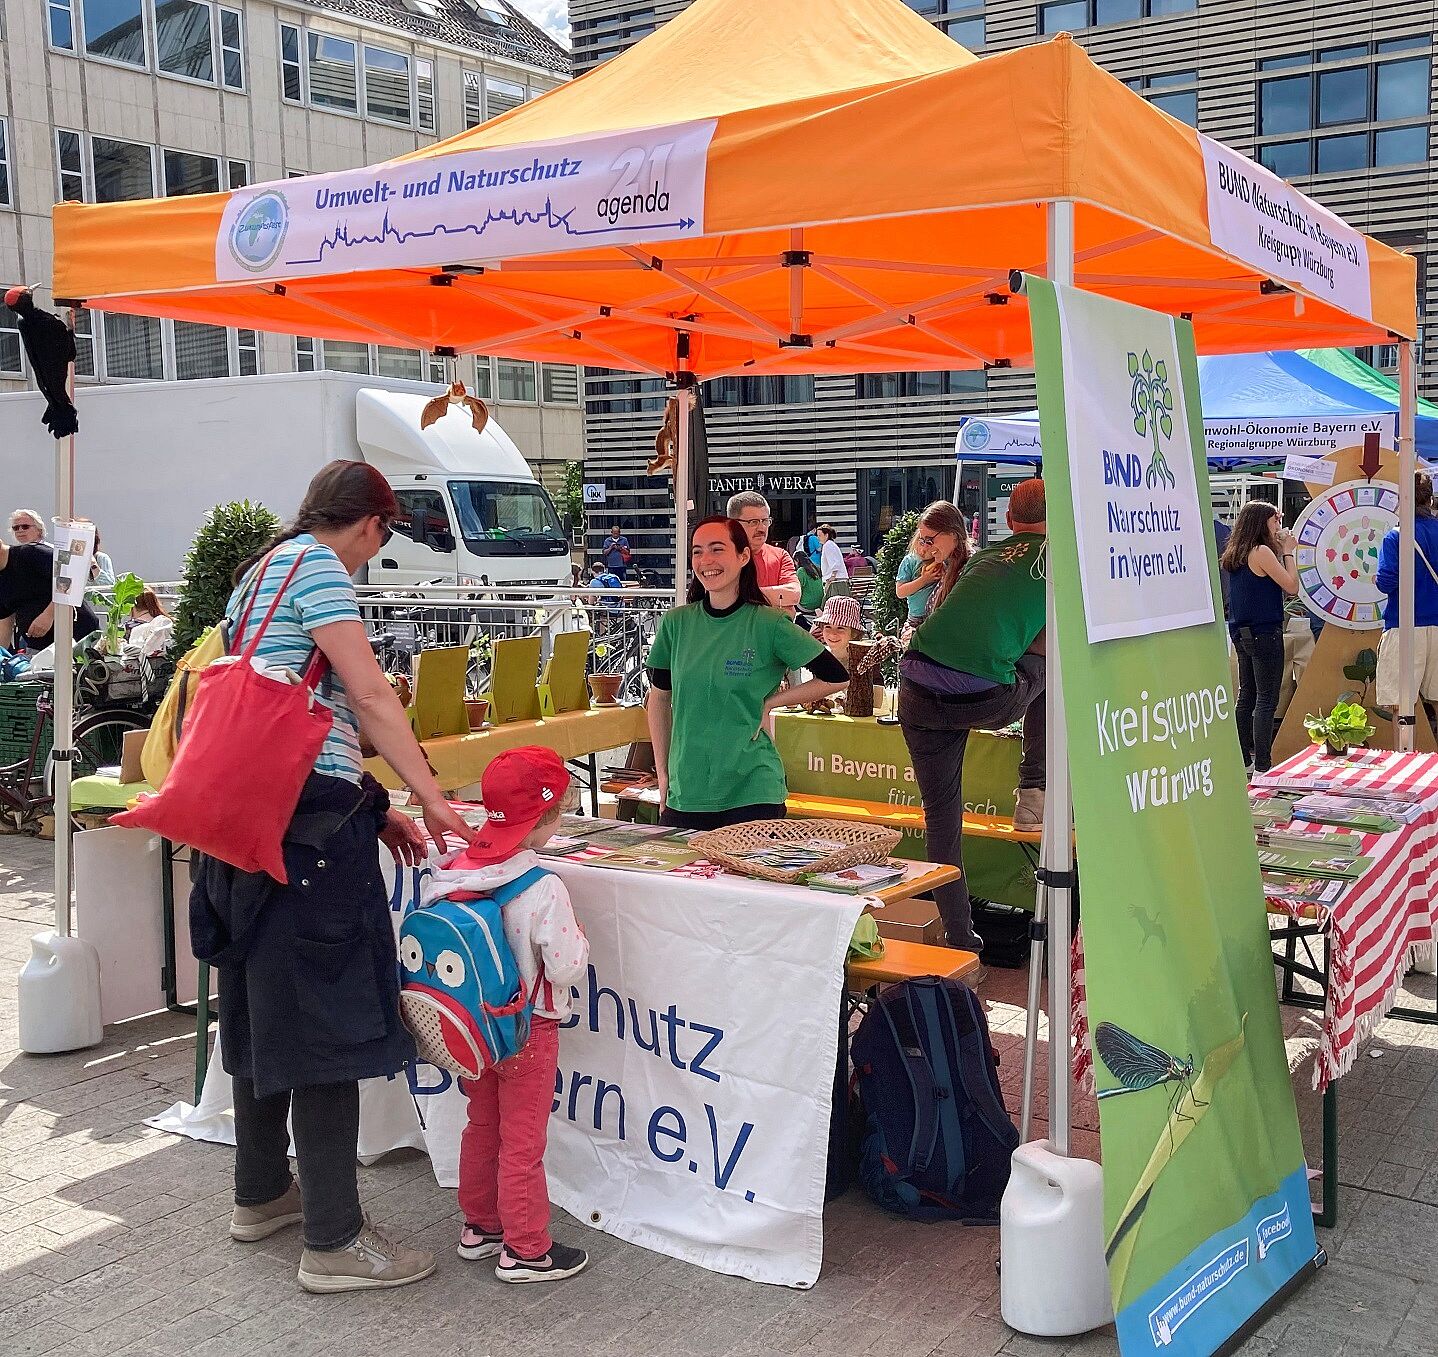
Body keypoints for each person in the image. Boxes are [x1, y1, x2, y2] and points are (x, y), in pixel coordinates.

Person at [188, 460, 477, 1295]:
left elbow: (299, 710)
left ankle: (261, 1192)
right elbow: (370, 696)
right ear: (371, 525)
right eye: (382, 539)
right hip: (311, 838)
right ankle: (335, 1239)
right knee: (323, 1017)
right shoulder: (318, 567)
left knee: (261, 1004)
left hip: (248, 821)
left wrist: (376, 803)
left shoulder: (260, 571)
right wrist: (434, 799)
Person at [424, 747, 591, 1283]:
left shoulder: (449, 871)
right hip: (528, 1030)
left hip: (471, 1028)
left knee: (482, 1123)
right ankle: (525, 1249)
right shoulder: (542, 887)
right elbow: (565, 969)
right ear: (548, 816)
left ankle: (481, 1227)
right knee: (523, 1140)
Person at [898, 480, 1048, 952]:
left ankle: (962, 938)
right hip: (983, 695)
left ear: (1009, 520)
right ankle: (1033, 788)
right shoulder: (1064, 562)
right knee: (1053, 659)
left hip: (917, 688)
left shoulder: (984, 559)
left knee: (942, 822)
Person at [646, 516, 847, 828]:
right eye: (697, 552)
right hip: (686, 792)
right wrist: (663, 775)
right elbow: (658, 700)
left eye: (716, 549)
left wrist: (771, 702)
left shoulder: (770, 623)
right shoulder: (676, 623)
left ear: (742, 556)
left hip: (753, 791)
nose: (705, 561)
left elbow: (836, 676)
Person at [1220, 501, 1297, 774]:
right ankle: (1263, 764)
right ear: (1262, 522)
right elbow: (1291, 586)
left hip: (1241, 632)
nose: (1278, 525)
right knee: (1266, 698)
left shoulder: (1235, 552)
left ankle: (1244, 761)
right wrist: (1288, 551)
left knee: (1247, 695)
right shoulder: (1262, 551)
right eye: (1274, 520)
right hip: (1265, 632)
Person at [1374, 472, 1438, 721]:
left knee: (1401, 702)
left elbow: (1386, 582)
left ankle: (1403, 754)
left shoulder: (1396, 536)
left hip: (1404, 623)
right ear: (1429, 500)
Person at [0, 537, 99, 652]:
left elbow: (71, 574)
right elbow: (5, 621)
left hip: (78, 638)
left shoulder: (32, 553)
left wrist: (49, 615)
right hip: (39, 649)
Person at [897, 502, 971, 638]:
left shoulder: (969, 569)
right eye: (922, 541)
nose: (926, 548)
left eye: (930, 540)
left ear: (953, 534)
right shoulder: (947, 565)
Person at [727, 491, 801, 612]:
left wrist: (744, 596)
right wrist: (774, 600)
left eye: (765, 521)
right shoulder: (720, 558)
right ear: (733, 524)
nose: (761, 528)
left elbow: (793, 594)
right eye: (753, 522)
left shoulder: (780, 556)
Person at [811, 595, 865, 670]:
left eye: (840, 628)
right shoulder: (821, 659)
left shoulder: (860, 663)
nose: (833, 633)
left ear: (854, 633)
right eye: (828, 627)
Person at [817, 524, 850, 600]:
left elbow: (834, 562)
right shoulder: (831, 545)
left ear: (826, 535)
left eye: (819, 535)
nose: (818, 538)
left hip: (836, 580)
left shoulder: (828, 545)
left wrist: (832, 576)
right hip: (839, 579)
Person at [794, 546, 825, 617]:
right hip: (819, 604)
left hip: (806, 606)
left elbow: (796, 590)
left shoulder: (801, 571)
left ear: (797, 560)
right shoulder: (816, 568)